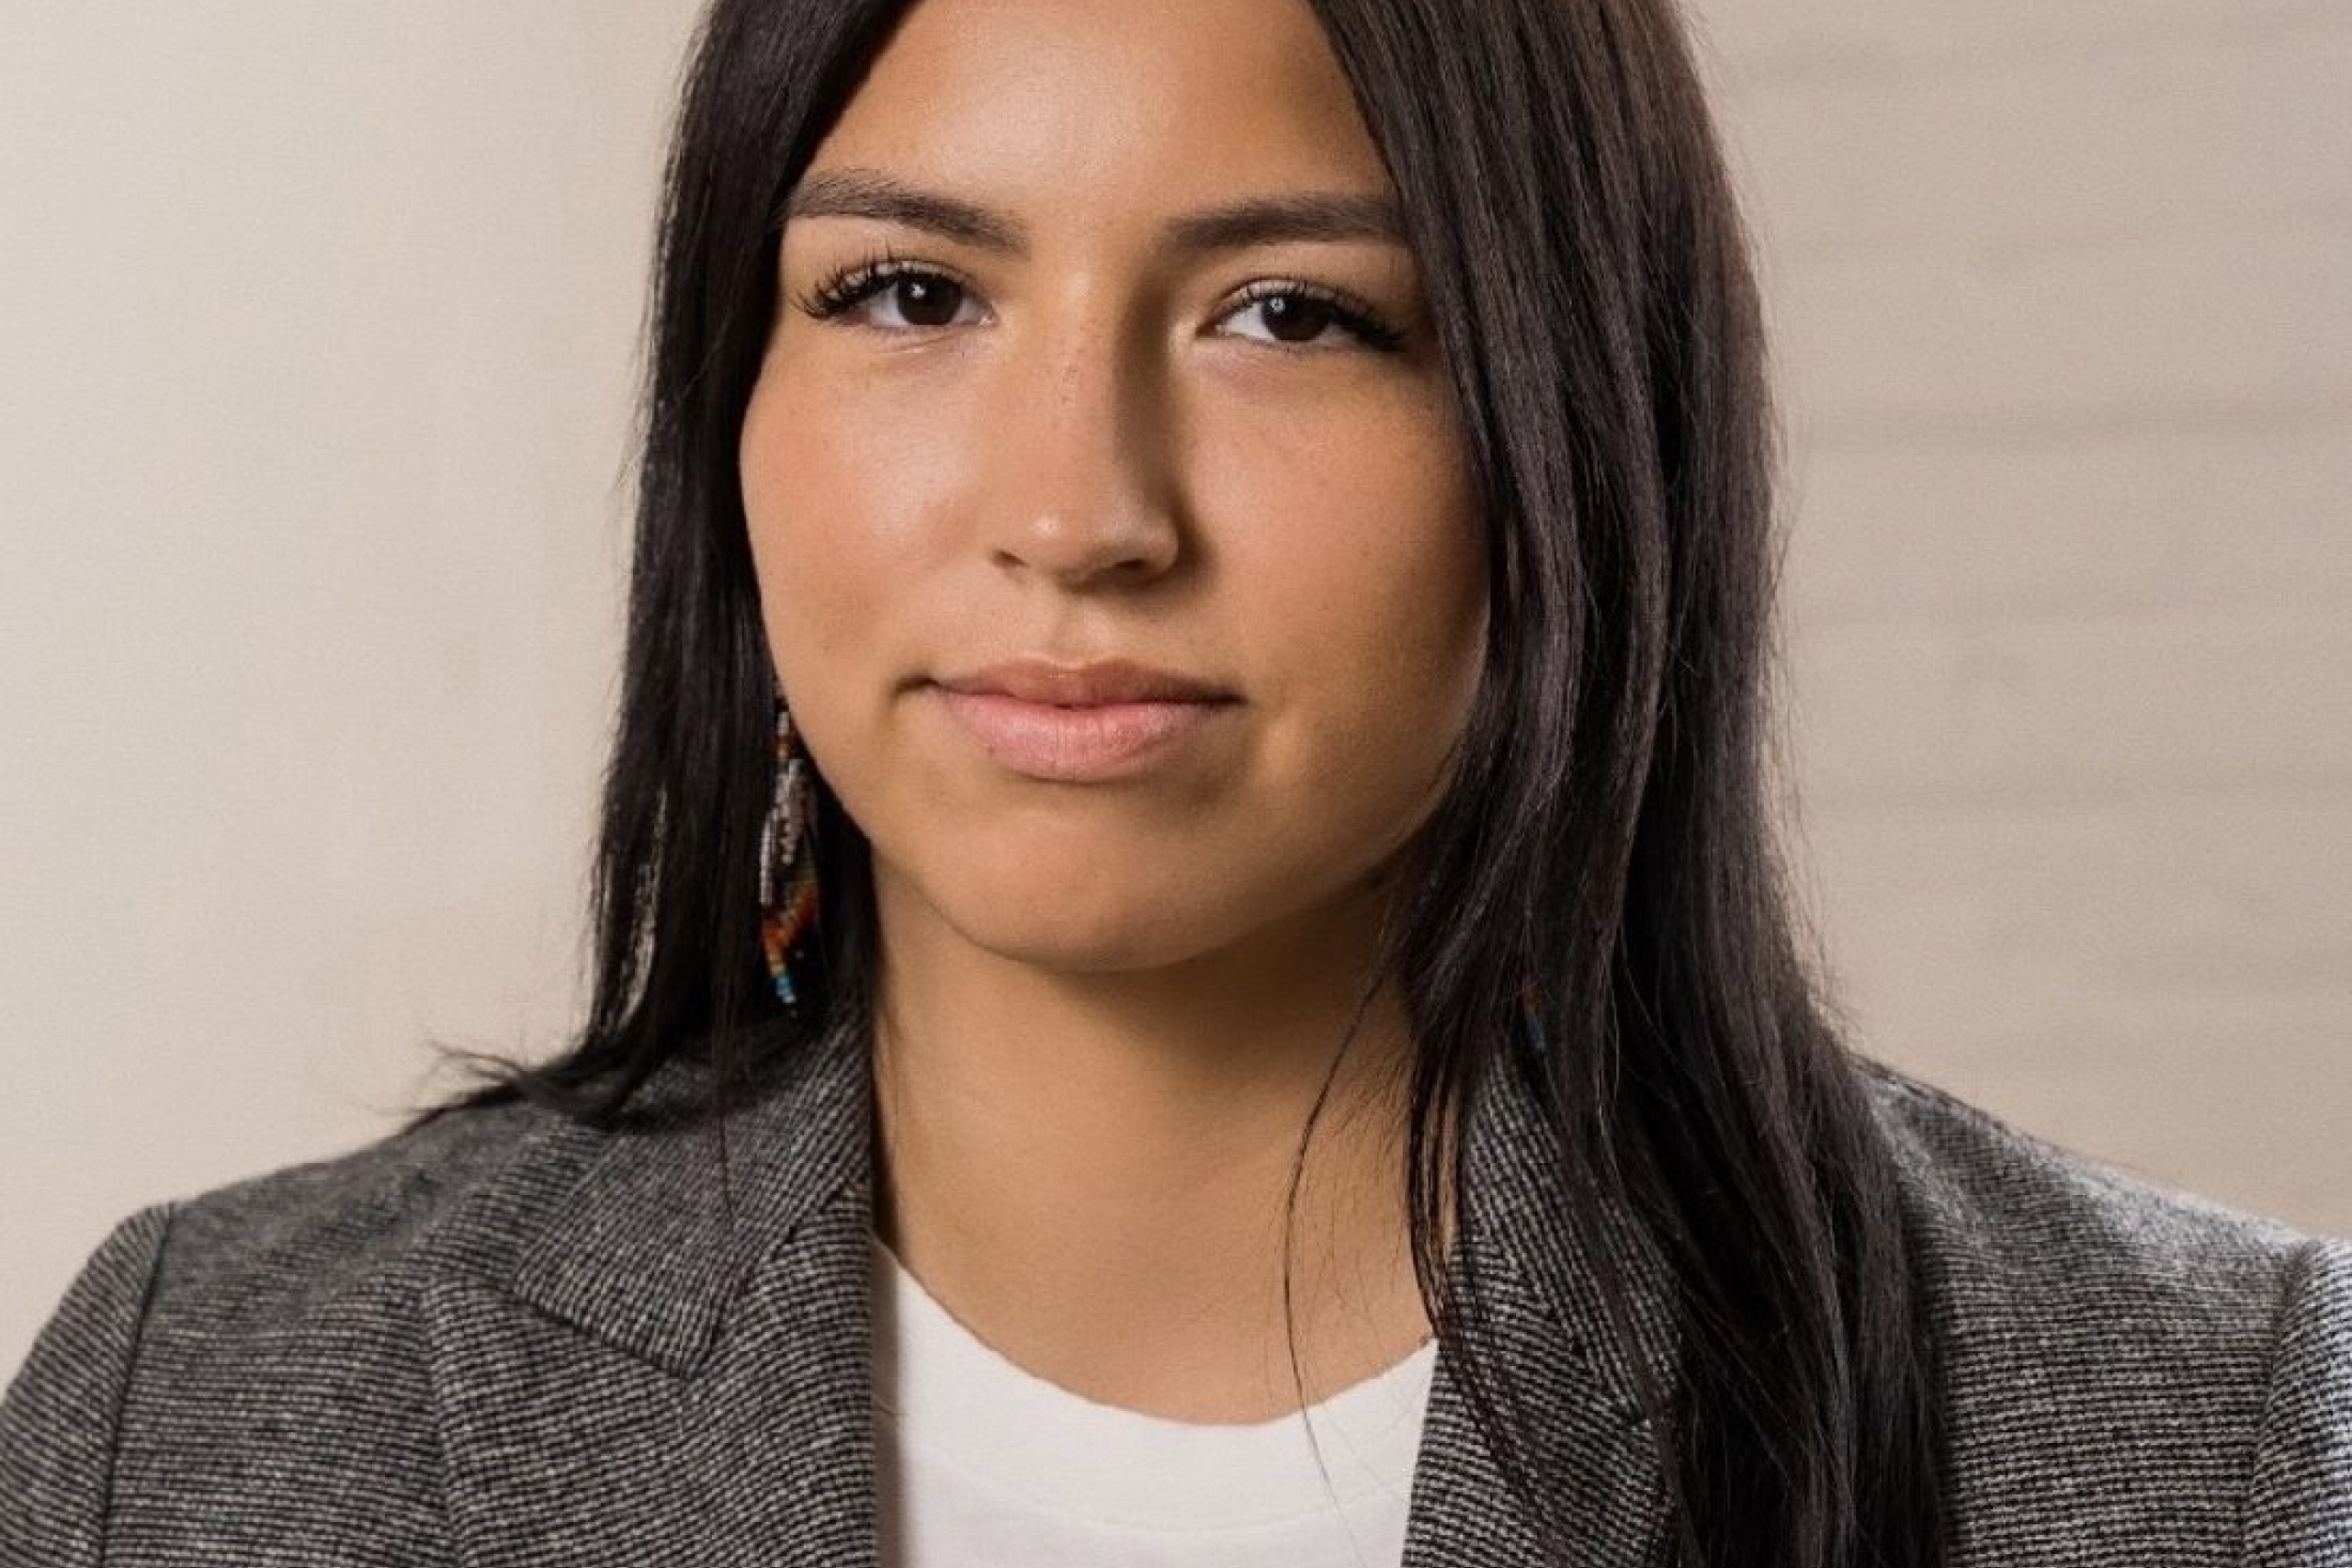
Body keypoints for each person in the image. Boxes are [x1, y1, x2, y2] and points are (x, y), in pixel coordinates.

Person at [4, 0, 2346, 1562]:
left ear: (1568, 434)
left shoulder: (2195, 1433)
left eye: (1291, 315)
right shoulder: (208, 1396)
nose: (1078, 504)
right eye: (909, 292)